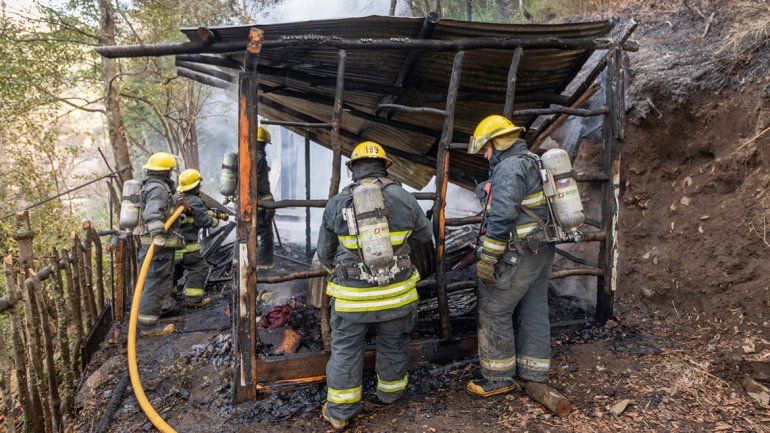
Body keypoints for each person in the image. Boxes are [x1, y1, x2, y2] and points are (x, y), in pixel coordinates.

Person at [316, 141, 433, 430]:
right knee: (394, 342)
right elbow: (424, 234)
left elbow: (324, 253)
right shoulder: (404, 198)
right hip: (397, 296)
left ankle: (341, 412)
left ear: (353, 168)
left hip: (352, 300)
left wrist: (344, 271)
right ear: (385, 166)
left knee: (345, 348)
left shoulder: (337, 204)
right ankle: (390, 395)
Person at [465, 114, 555, 397]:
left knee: (494, 309)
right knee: (534, 306)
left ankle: (497, 379)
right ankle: (534, 371)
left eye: (486, 148)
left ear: (497, 143)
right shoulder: (532, 161)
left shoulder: (509, 168)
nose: (485, 154)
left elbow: (502, 217)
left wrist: (489, 259)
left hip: (522, 252)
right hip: (541, 248)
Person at [137, 152, 183, 330]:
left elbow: (164, 210)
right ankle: (148, 327)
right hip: (156, 248)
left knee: (155, 282)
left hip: (157, 248)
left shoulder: (154, 186)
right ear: (166, 172)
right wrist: (157, 236)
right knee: (155, 284)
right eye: (170, 171)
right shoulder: (158, 188)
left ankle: (151, 317)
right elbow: (153, 214)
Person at [174, 169, 227, 307]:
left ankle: (169, 299)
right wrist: (215, 221)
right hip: (187, 246)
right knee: (199, 268)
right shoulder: (196, 201)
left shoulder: (177, 199)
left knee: (175, 271)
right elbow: (203, 221)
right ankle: (193, 300)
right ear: (196, 186)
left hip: (173, 247)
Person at [255, 126, 275, 269]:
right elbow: (262, 186)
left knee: (244, 232)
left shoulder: (243, 154)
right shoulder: (260, 159)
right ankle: (264, 266)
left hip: (243, 201)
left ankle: (238, 261)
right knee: (264, 232)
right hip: (257, 202)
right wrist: (270, 203)